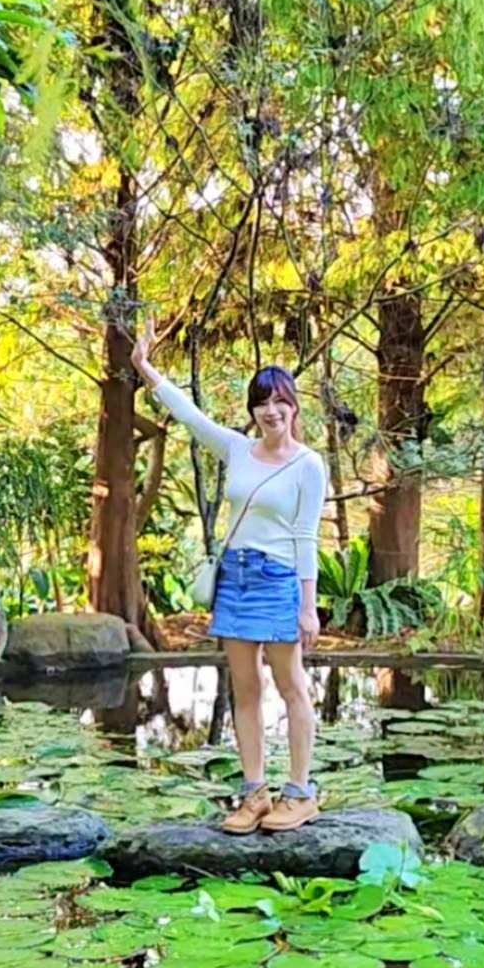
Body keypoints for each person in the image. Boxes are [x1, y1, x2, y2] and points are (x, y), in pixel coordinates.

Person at [131, 319, 328, 833]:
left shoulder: (309, 465)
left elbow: (308, 536)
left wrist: (309, 605)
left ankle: (301, 792)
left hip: (279, 579)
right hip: (236, 578)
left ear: (294, 406)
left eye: (279, 401)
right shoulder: (239, 450)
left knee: (291, 685)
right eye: (262, 403)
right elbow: (190, 416)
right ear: (253, 410)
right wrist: (144, 367)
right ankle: (254, 792)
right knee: (243, 688)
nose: (271, 411)